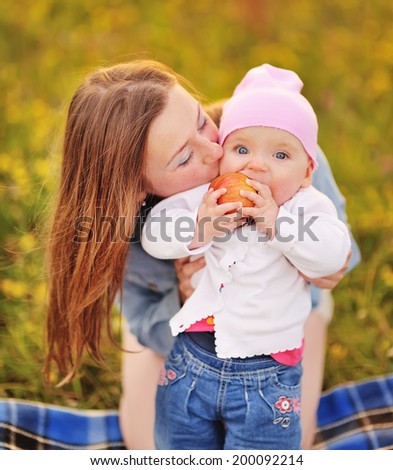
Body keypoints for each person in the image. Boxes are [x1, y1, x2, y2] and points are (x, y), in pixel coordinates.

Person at [44, 59, 359, 449]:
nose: (214, 150)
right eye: (183, 158)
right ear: (139, 188)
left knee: (282, 446)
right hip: (181, 334)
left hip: (279, 321)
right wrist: (183, 295)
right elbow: (148, 324)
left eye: (198, 121)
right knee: (149, 445)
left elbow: (340, 246)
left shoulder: (276, 142)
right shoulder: (120, 222)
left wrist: (322, 266)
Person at [140, 64, 351, 450]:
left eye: (280, 155)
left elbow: (333, 252)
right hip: (193, 357)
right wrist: (198, 229)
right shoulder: (212, 198)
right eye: (241, 149)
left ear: (307, 171)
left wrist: (279, 225)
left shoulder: (306, 206)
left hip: (269, 371)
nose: (256, 165)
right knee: (174, 446)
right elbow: (155, 232)